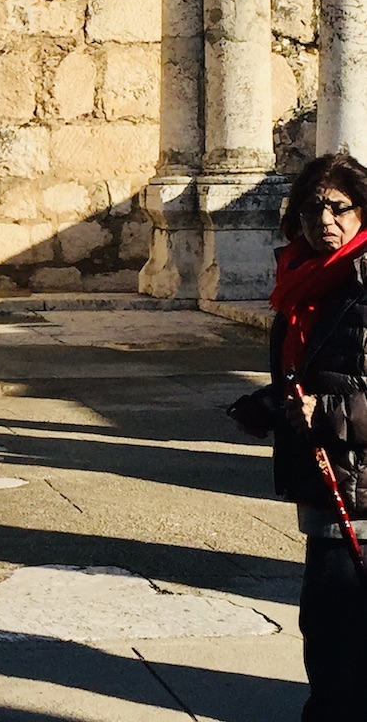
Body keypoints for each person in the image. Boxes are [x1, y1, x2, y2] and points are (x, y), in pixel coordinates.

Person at [229, 151, 367, 722]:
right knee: (327, 628)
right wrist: (272, 405)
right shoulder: (303, 281)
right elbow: (312, 373)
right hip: (325, 481)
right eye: (312, 209)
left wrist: (329, 413)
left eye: (339, 207)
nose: (324, 220)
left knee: (339, 635)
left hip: (360, 492)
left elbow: (336, 394)